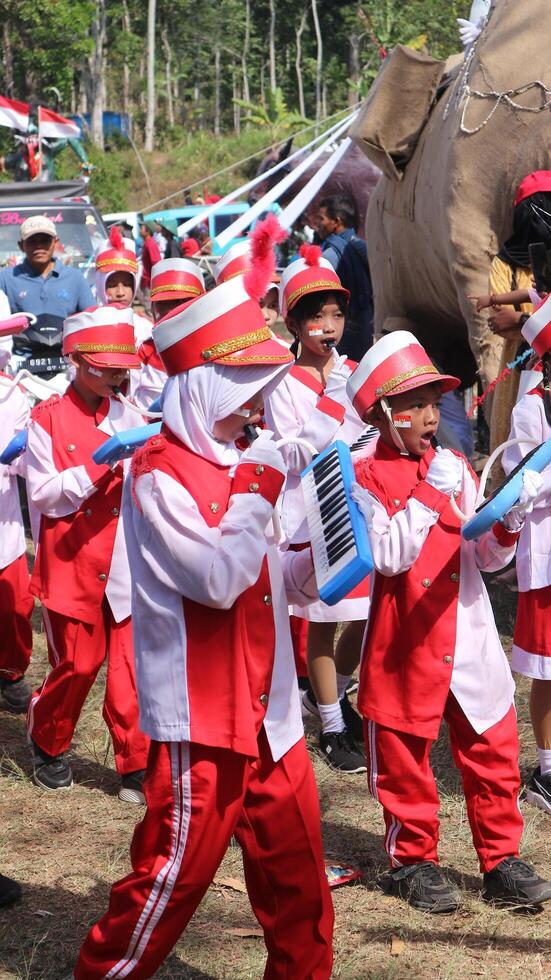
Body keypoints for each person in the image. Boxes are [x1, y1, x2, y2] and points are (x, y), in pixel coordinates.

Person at [74, 224, 334, 979]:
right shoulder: (159, 472)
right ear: (207, 387)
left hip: (272, 711)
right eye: (244, 391)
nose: (257, 409)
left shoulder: (241, 462)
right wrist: (259, 485)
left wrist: (315, 566)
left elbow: (265, 576)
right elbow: (217, 582)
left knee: (300, 886)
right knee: (172, 878)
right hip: (205, 714)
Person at [346, 330, 551, 911]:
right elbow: (388, 555)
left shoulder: (455, 465)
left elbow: (483, 557)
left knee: (492, 746)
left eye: (436, 402)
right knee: (404, 755)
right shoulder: (360, 475)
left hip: (468, 629)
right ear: (386, 413)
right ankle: (412, 860)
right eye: (416, 404)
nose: (431, 416)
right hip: (406, 636)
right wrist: (430, 496)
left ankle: (501, 859)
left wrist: (508, 519)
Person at [25, 305, 149, 799]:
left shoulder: (133, 414)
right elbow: (43, 495)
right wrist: (96, 468)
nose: (117, 376)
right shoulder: (46, 419)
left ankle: (136, 762)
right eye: (105, 365)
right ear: (75, 359)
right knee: (76, 665)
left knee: (130, 669)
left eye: (123, 366)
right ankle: (47, 739)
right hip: (73, 564)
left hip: (125, 564)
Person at [264, 244, 372, 774]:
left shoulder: (355, 371)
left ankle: (333, 696)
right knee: (325, 620)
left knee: (365, 617)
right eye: (316, 315)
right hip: (312, 512)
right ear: (295, 322)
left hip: (365, 506)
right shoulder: (282, 382)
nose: (329, 326)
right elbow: (290, 454)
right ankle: (331, 724)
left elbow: (376, 430)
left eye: (336, 314)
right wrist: (331, 403)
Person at [502, 299, 551, 815]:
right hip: (548, 549)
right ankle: (546, 770)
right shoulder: (531, 406)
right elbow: (523, 483)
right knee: (548, 668)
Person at [486, 171, 551, 452]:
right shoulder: (505, 264)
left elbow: (513, 318)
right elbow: (500, 321)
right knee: (521, 435)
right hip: (520, 359)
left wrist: (521, 319)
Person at [0, 331, 33, 713]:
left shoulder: (13, 395)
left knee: (13, 606)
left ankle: (10, 672)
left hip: (4, 519)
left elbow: (25, 454)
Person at [0, 215, 93, 320]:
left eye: (45, 240)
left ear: (56, 243)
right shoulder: (5, 279)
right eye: (32, 241)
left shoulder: (75, 278)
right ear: (21, 245)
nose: (39, 246)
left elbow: (91, 320)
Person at [316, 194, 374, 361]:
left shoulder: (329, 255)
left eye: (322, 218)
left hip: (342, 324)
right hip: (365, 321)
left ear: (337, 222)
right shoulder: (363, 246)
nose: (318, 224)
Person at [95, 227, 153, 346]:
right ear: (100, 284)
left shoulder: (147, 329)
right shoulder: (88, 328)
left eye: (127, 284)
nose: (120, 292)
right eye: (112, 285)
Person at [138, 223, 162, 311]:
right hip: (146, 278)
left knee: (149, 307)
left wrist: (155, 279)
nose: (140, 230)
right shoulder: (147, 242)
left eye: (142, 228)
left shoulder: (150, 243)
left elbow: (156, 261)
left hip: (149, 280)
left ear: (148, 231)